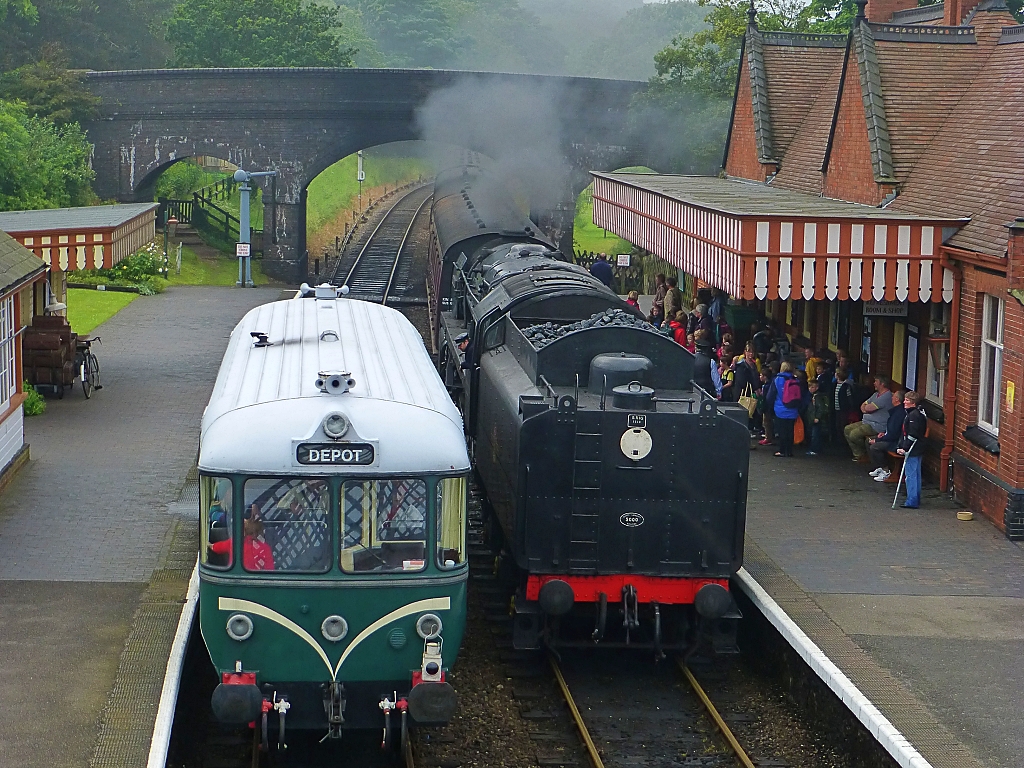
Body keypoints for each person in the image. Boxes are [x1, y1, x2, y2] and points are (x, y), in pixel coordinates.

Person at [844, 375, 894, 461]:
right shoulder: (875, 395)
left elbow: (868, 408)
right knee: (847, 429)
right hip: (867, 421)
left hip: (877, 425)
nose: (874, 383)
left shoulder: (886, 396)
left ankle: (864, 453)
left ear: (882, 384)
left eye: (876, 382)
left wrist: (866, 408)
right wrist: (866, 408)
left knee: (854, 435)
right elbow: (863, 405)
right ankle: (859, 454)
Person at [867, 389, 907, 481]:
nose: (891, 397)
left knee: (875, 446)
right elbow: (890, 429)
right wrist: (884, 433)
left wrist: (877, 440)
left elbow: (894, 434)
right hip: (889, 437)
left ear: (897, 399)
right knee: (868, 441)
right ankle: (879, 466)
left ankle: (886, 470)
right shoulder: (895, 411)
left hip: (895, 442)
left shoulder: (899, 414)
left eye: (893, 396)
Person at [209, 517, 275, 571]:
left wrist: (208, 544)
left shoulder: (234, 543)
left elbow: (216, 547)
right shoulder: (266, 548)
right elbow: (270, 569)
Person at [897, 391, 927, 508]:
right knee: (915, 473)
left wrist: (904, 448)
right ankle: (914, 498)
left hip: (914, 448)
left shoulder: (913, 416)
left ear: (913, 403)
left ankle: (912, 500)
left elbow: (912, 434)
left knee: (911, 474)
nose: (904, 402)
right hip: (918, 447)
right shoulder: (917, 413)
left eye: (907, 400)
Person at [767, 361, 800, 457]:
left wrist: (769, 407)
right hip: (793, 409)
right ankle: (789, 451)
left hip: (780, 409)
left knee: (782, 431)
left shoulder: (777, 379)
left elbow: (770, 396)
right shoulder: (796, 380)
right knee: (790, 431)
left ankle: (782, 450)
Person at [692, 330, 721, 397]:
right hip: (706, 391)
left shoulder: (690, 359)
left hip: (693, 389)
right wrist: (718, 391)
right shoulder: (711, 361)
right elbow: (715, 378)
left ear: (696, 348)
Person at [806, 378, 830, 456]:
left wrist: (817, 417)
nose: (810, 389)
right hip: (814, 418)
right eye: (809, 387)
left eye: (812, 387)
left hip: (816, 418)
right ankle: (817, 448)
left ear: (817, 387)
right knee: (815, 434)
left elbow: (821, 408)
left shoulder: (817, 397)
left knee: (815, 435)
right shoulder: (814, 396)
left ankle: (814, 449)